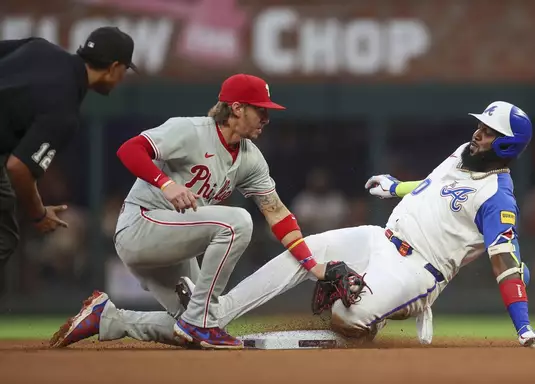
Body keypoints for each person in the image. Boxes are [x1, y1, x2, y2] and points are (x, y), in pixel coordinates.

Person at [173, 100, 535, 346]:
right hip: (381, 239)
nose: (478, 133)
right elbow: (438, 186)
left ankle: (371, 320)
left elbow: (504, 261)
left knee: (346, 316)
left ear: (505, 145)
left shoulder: (498, 199)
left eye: (489, 132)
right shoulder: (464, 154)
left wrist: (524, 329)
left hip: (418, 271)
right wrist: (396, 187)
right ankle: (214, 314)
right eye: (481, 125)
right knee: (305, 251)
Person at [50, 73, 354, 350]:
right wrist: (165, 183)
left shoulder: (250, 159)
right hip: (140, 225)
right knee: (238, 222)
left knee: (208, 320)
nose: (266, 117)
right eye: (260, 109)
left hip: (174, 245)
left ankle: (108, 320)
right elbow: (129, 149)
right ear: (236, 108)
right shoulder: (191, 131)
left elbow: (277, 213)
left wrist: (314, 267)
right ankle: (198, 320)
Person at [0, 27, 136, 288]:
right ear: (114, 67)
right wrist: (39, 214)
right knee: (4, 237)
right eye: (125, 69)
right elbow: (19, 168)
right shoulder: (64, 110)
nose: (122, 77)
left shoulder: (40, 47)